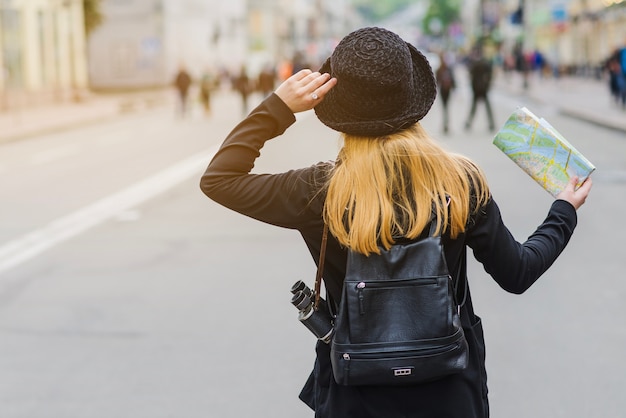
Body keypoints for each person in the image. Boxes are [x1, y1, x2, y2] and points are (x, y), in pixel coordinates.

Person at [200, 27, 592, 418]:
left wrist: (278, 107)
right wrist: (563, 212)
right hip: (450, 393)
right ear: (412, 96)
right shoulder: (459, 181)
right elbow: (517, 272)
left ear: (337, 104)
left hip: (354, 396)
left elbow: (219, 180)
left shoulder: (320, 191)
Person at [465, 47, 495, 132]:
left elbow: (471, 77)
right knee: (486, 108)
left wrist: (474, 87)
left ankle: (469, 123)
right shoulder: (485, 64)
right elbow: (490, 76)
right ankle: (491, 123)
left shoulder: (475, 64)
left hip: (477, 89)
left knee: (474, 108)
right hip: (483, 88)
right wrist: (487, 86)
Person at [435, 52, 456, 134]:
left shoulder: (440, 69)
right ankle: (446, 124)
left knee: (445, 108)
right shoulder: (446, 69)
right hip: (446, 90)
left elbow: (437, 82)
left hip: (444, 91)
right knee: (446, 108)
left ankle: (445, 124)